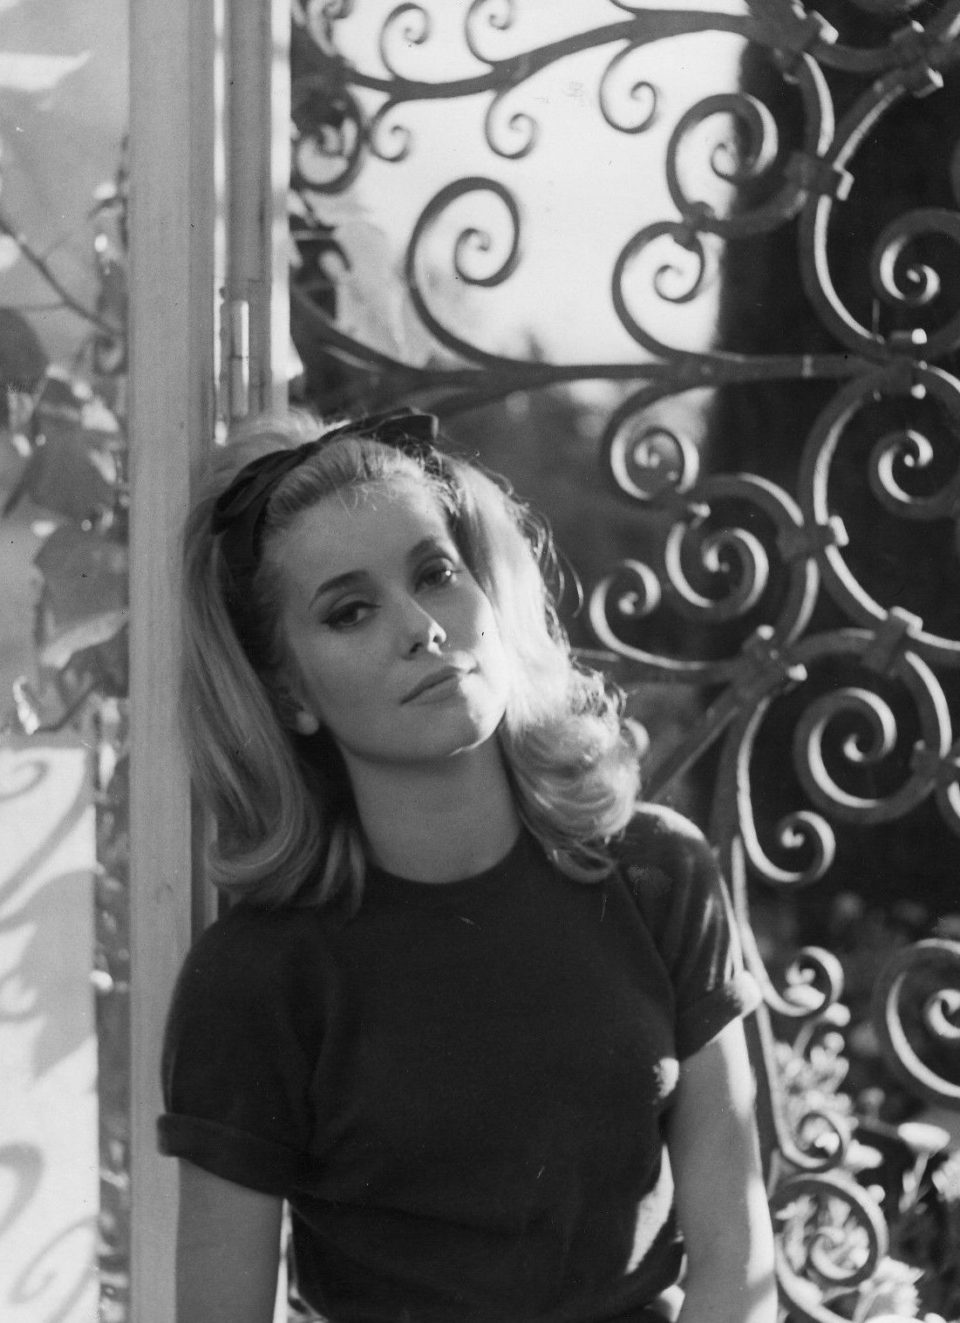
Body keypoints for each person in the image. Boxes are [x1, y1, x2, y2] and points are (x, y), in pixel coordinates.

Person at [158, 408, 778, 1323]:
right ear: (288, 693)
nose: (421, 627)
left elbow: (738, 1265)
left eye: (435, 573)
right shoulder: (256, 979)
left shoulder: (657, 875)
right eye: (350, 611)